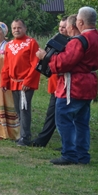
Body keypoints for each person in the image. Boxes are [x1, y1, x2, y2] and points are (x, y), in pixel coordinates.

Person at [36, 7, 98, 165]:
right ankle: (82, 155)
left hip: (74, 85)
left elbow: (63, 63)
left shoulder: (78, 41)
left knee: (63, 119)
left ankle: (69, 154)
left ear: (80, 22)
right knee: (81, 122)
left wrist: (45, 57)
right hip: (89, 83)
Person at [1, 19, 41, 146]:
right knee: (18, 109)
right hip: (14, 82)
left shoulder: (31, 43)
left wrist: (28, 81)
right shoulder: (9, 45)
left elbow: (35, 64)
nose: (16, 30)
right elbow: (6, 65)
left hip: (25, 83)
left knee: (24, 108)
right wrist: (4, 81)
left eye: (19, 27)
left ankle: (25, 137)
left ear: (25, 28)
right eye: (14, 28)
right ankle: (21, 134)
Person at [32, 17, 68, 147]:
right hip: (54, 81)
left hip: (65, 83)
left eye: (64, 27)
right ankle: (42, 140)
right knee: (52, 113)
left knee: (64, 116)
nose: (61, 29)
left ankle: (68, 144)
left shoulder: (72, 43)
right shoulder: (56, 39)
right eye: (60, 26)